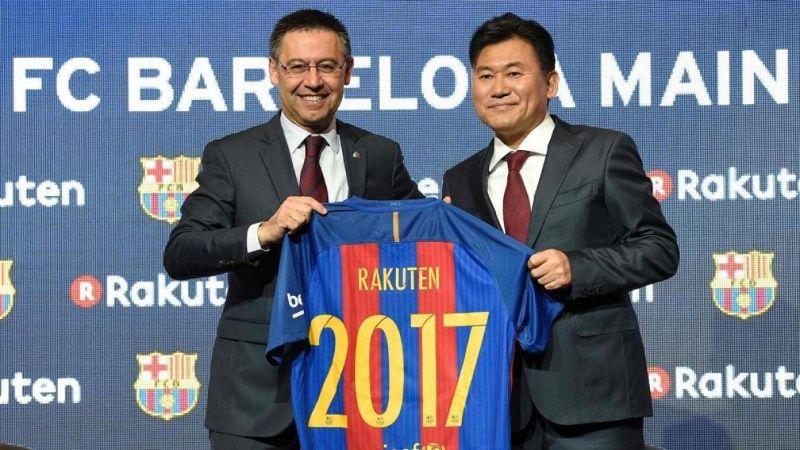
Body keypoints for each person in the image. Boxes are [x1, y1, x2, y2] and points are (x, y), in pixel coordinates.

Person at [163, 9, 422, 449]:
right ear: (274, 71)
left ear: (347, 72)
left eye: (327, 66)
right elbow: (181, 253)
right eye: (297, 66)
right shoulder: (232, 156)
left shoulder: (379, 155)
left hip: (361, 393)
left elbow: (418, 232)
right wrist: (263, 231)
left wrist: (446, 226)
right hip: (256, 397)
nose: (312, 81)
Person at [442, 13, 679, 450]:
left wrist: (577, 267)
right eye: (485, 76)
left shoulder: (602, 151)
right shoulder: (460, 179)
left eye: (514, 73)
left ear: (550, 83)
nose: (498, 88)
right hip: (497, 400)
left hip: (595, 397)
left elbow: (659, 248)